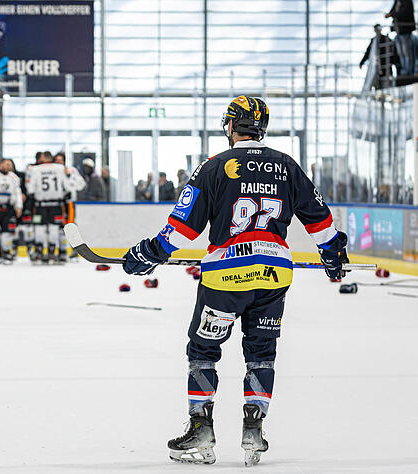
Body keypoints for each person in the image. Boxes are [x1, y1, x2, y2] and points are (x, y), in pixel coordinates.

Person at [122, 96, 348, 466]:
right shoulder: (286, 166)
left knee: (204, 350)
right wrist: (332, 254)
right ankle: (253, 430)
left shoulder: (214, 166)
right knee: (261, 353)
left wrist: (149, 253)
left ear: (230, 126)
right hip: (274, 274)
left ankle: (201, 429)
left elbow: (181, 231)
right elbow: (320, 220)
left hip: (226, 277)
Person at [25, 151, 84, 264]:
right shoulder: (60, 169)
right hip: (57, 203)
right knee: (54, 228)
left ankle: (43, 252)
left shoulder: (35, 169)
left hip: (44, 204)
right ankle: (53, 252)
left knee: (43, 228)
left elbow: (31, 188)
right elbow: (68, 186)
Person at [360, 24, 399, 88]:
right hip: (377, 66)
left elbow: (393, 51)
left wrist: (394, 62)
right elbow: (368, 52)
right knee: (378, 84)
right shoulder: (374, 41)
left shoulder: (387, 39)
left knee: (387, 82)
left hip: (386, 65)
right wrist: (362, 62)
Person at [386, 0, 416, 76]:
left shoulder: (407, 1)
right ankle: (405, 71)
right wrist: (390, 14)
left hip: (405, 31)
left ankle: (409, 72)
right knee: (401, 54)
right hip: (398, 32)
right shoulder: (397, 1)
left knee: (407, 53)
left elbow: (404, 13)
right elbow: (393, 11)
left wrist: (392, 14)